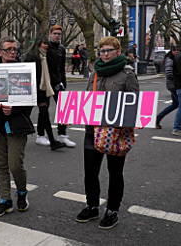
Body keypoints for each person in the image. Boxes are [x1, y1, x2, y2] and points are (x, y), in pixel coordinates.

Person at [75, 36, 139, 229]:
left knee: (115, 172)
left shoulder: (127, 74)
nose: (104, 54)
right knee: (90, 171)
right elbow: (88, 97)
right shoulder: (95, 72)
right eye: (102, 51)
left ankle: (112, 210)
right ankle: (92, 205)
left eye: (108, 50)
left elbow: (133, 103)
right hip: (92, 128)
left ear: (118, 52)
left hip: (116, 131)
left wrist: (125, 122)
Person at [0, 37, 35, 217]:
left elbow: (29, 102)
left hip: (16, 126)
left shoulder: (23, 70)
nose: (13, 52)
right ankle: (5, 199)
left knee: (15, 164)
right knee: (1, 165)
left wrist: (14, 109)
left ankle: (22, 192)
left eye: (15, 49)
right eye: (9, 49)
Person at [24, 39, 65, 149]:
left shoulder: (48, 56)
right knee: (26, 113)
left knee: (44, 114)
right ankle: (19, 136)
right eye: (44, 43)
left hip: (44, 89)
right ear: (38, 44)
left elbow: (55, 70)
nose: (46, 45)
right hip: (34, 88)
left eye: (47, 43)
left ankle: (51, 140)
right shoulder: (32, 57)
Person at [48, 25, 76, 147]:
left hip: (58, 83)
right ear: (50, 34)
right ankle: (41, 134)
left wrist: (63, 82)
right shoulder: (45, 47)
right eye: (55, 33)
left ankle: (62, 134)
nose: (57, 36)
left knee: (63, 108)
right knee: (43, 110)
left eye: (59, 34)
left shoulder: (61, 49)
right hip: (45, 82)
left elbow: (62, 68)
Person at [155, 48, 181, 129]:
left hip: (172, 84)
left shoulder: (172, 58)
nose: (177, 52)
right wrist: (176, 79)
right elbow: (168, 72)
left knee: (176, 104)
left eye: (178, 50)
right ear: (172, 51)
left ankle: (158, 118)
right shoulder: (170, 59)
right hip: (173, 85)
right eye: (176, 51)